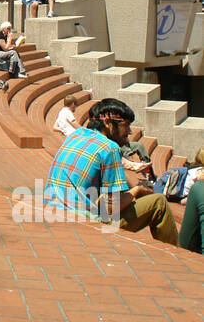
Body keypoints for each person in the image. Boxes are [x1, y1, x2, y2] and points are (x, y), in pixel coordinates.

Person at [43, 98, 177, 243]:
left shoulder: (75, 135)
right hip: (82, 225)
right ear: (107, 122)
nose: (129, 131)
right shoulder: (109, 148)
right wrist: (137, 190)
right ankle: (179, 257)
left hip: (50, 212)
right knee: (158, 203)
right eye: (126, 125)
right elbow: (110, 208)